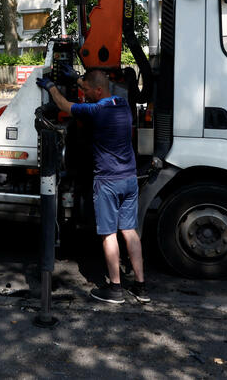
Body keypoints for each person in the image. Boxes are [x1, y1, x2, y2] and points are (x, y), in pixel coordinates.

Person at [37, 68, 149, 304]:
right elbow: (96, 85)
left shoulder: (95, 111)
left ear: (97, 91)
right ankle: (140, 287)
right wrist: (77, 79)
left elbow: (64, 105)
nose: (83, 93)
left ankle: (115, 289)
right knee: (130, 231)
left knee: (109, 235)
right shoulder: (122, 104)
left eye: (86, 90)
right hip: (129, 179)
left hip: (108, 182)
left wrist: (51, 87)